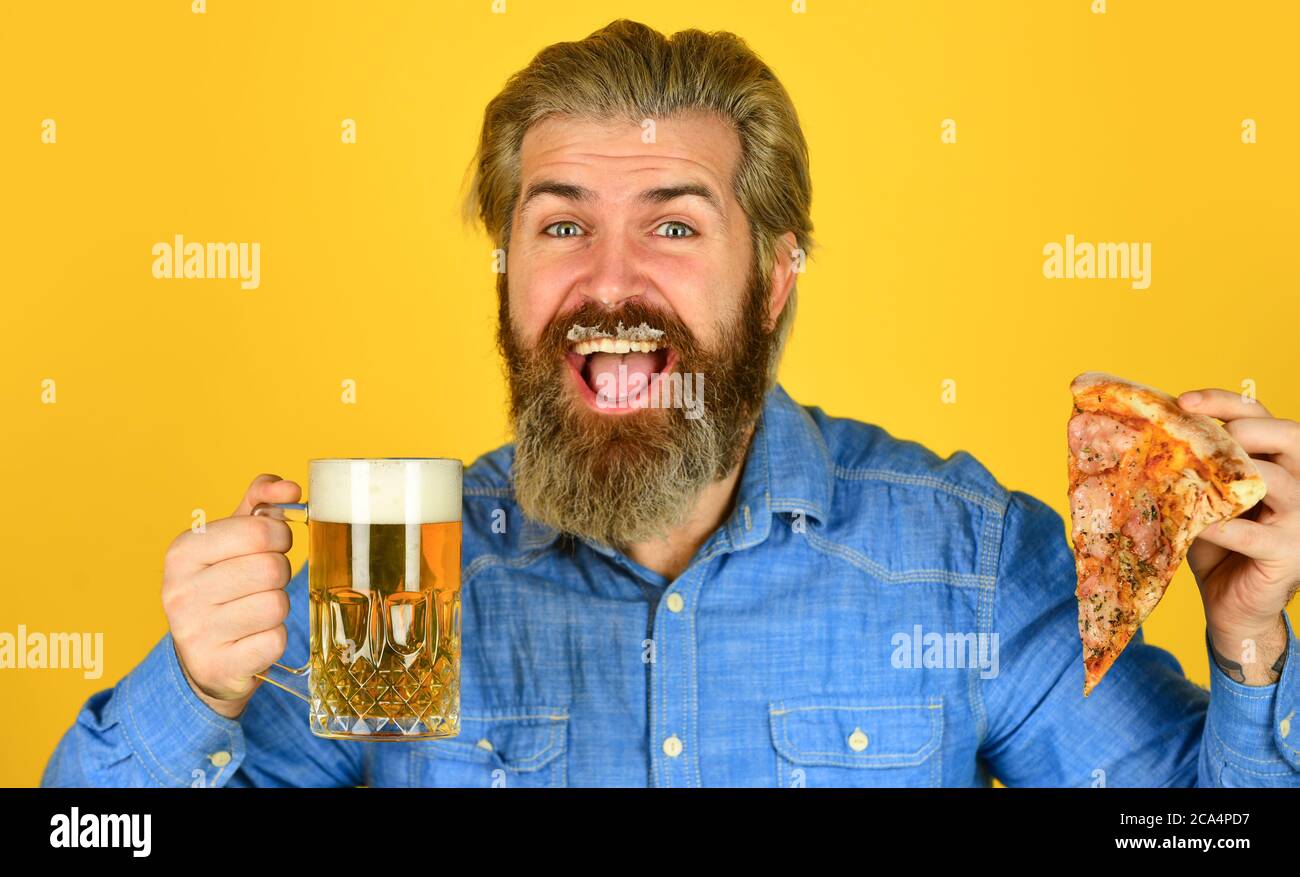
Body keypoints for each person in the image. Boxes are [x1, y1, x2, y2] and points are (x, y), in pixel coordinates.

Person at [44, 19, 1299, 788]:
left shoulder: (961, 561)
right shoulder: (395, 568)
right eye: (561, 223)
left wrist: (1249, 645)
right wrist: (193, 696)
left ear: (774, 278)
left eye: (674, 224)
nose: (608, 282)